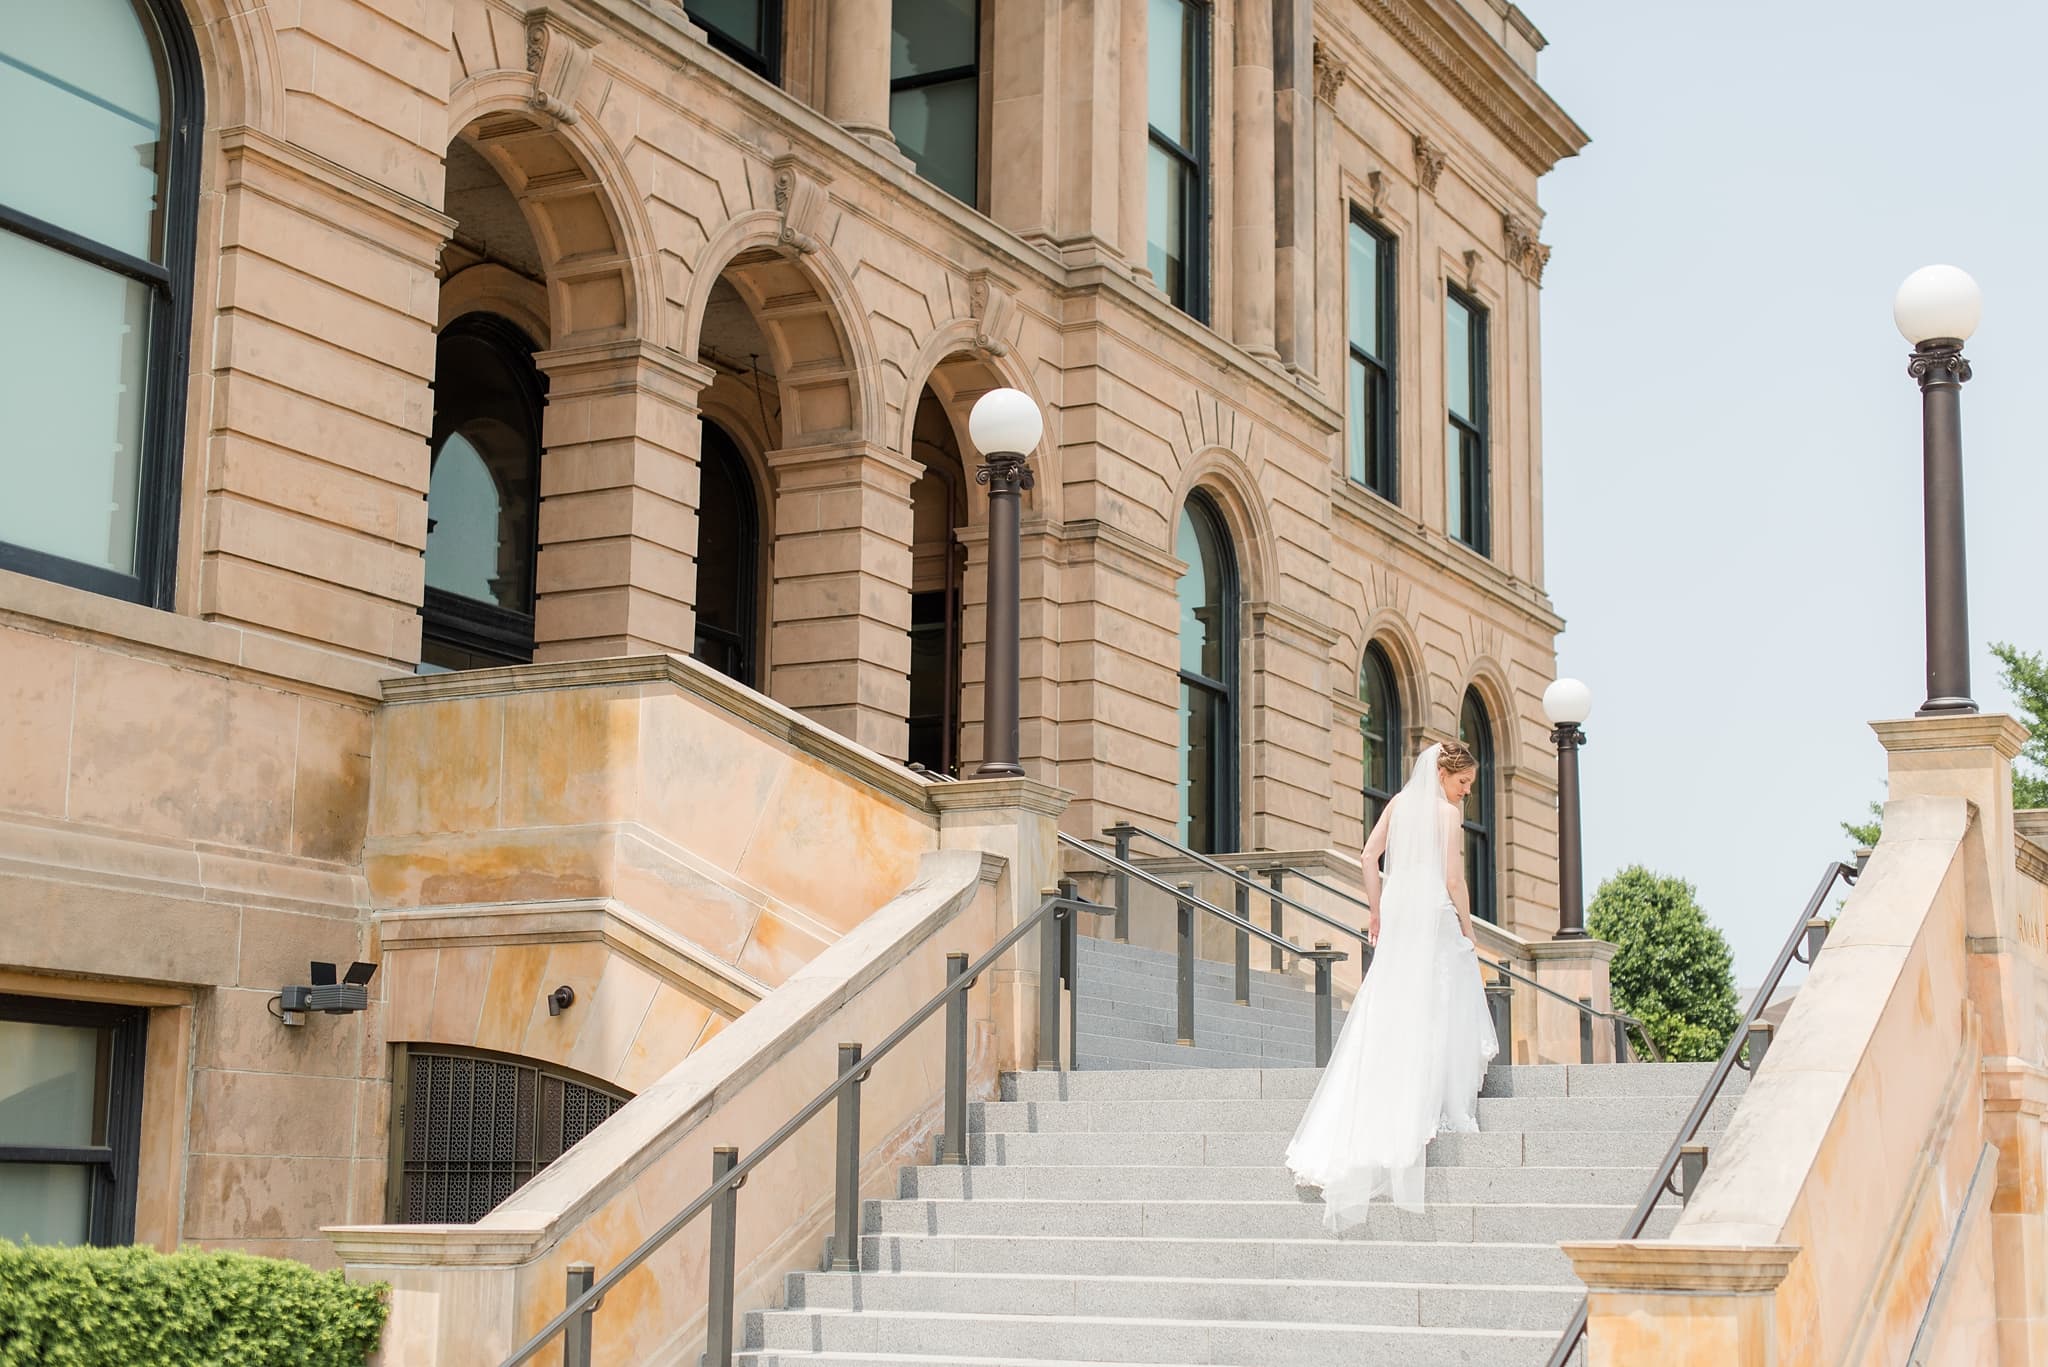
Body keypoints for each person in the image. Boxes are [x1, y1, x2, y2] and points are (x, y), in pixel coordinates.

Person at [1284, 741, 1498, 1227]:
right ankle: (1437, 1098)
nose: (1466, 794)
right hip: (1434, 916)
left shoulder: (1399, 805)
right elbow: (1455, 881)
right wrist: (1469, 930)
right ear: (1444, 774)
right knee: (1441, 997)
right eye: (1464, 783)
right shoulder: (1445, 816)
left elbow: (1366, 857)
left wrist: (1376, 910)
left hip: (1401, 916)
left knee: (1394, 1005)